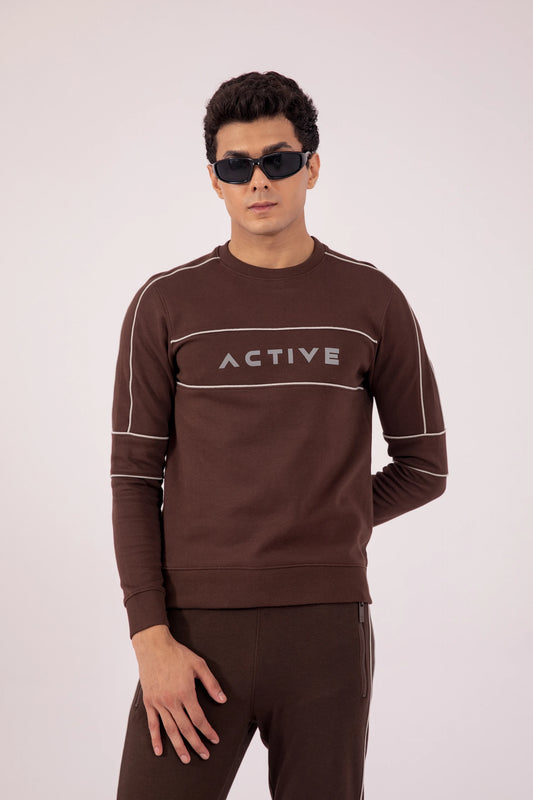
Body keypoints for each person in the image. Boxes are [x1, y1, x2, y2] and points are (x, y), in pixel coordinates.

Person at [110, 70, 448, 800]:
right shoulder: (165, 304)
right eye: (236, 166)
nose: (258, 180)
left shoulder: (372, 300)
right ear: (214, 180)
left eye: (278, 160)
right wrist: (149, 637)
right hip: (193, 632)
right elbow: (134, 478)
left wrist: (322, 520)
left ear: (311, 168)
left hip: (326, 634)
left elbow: (424, 465)